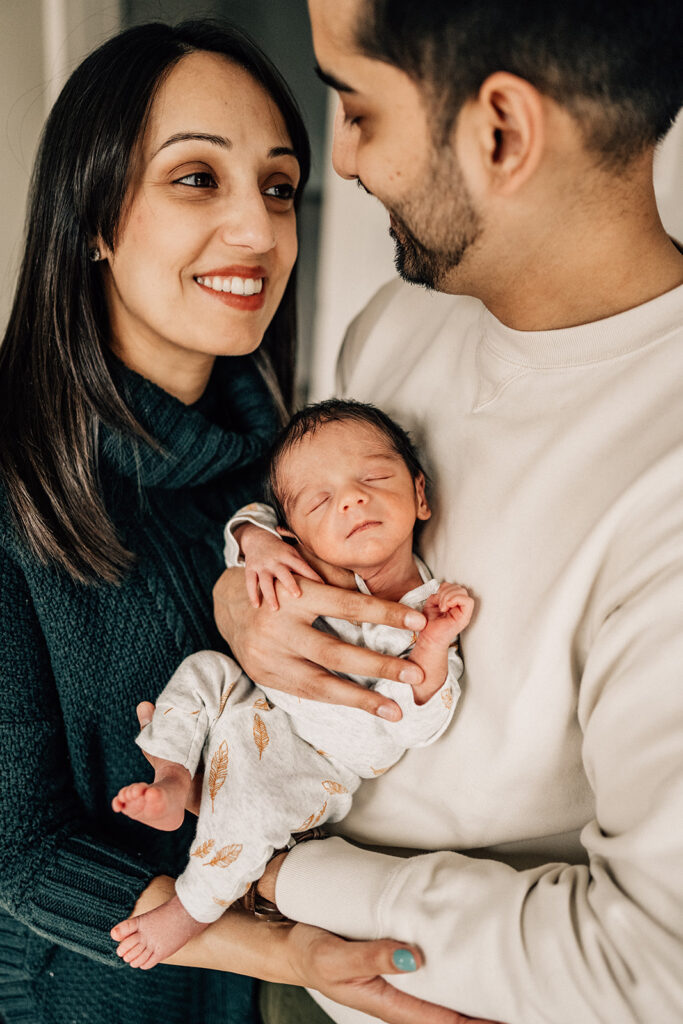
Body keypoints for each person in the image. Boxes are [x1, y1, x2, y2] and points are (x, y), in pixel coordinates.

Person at [210, 1, 683, 1022]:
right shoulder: (398, 323)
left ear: (498, 132)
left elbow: (656, 964)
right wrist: (246, 587)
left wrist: (292, 882)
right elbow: (317, 535)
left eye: (357, 109)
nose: (341, 162)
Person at [0, 19, 476, 1024]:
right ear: (91, 216)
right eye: (194, 179)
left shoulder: (297, 484)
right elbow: (20, 848)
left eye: (276, 186)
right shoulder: (16, 486)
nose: (258, 233)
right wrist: (289, 949)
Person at [110, 399, 473, 969]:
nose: (352, 498)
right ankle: (173, 777)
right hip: (262, 701)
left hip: (318, 760)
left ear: (421, 495)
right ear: (294, 532)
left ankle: (190, 906)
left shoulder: (425, 609)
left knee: (250, 811)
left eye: (374, 477)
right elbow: (249, 519)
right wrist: (259, 546)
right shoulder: (297, 559)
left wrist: (432, 647)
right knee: (205, 670)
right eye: (320, 500)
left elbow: (423, 722)